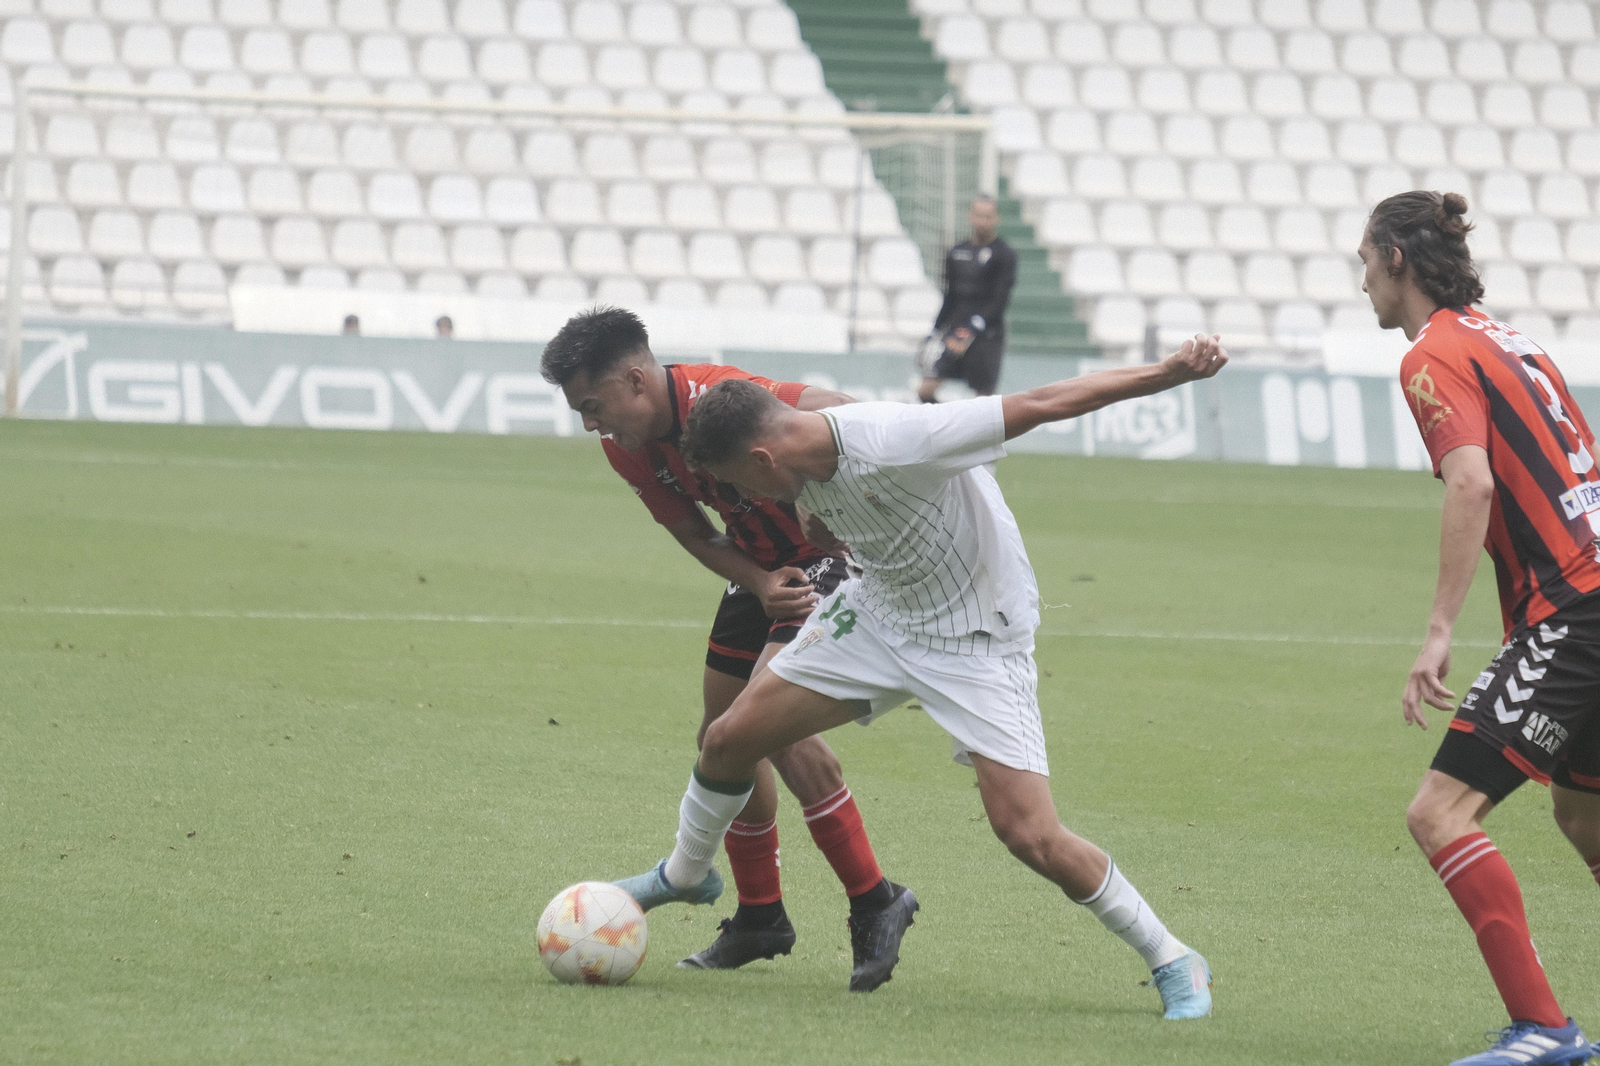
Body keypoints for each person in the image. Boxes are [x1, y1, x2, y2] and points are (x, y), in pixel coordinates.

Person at [617, 334, 1228, 1016]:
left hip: (976, 640)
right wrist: (822, 528)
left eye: (739, 484)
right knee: (729, 740)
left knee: (1029, 834)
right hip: (875, 615)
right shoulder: (797, 467)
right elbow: (833, 512)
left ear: (761, 456)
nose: (744, 498)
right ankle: (686, 874)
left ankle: (1173, 958)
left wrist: (1170, 372)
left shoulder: (900, 435)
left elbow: (1045, 400)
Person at [539, 307, 897, 981]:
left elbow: (843, 410)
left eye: (594, 405)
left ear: (637, 382)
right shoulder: (627, 446)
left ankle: (875, 899)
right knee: (720, 737)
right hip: (764, 573)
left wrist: (835, 512)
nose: (591, 424)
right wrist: (760, 581)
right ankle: (762, 916)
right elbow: (697, 536)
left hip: (831, 565)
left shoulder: (720, 393)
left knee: (767, 731)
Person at [1369, 191, 1600, 1066]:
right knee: (1585, 820)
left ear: (1397, 259)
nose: (1363, 286)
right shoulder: (1513, 338)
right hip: (1593, 589)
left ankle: (1545, 1028)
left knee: (1440, 813)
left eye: (1365, 264)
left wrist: (1438, 629)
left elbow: (1472, 483)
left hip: (1574, 608)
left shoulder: (1433, 355)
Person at [917, 196, 1017, 404]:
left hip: (987, 336)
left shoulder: (1005, 254)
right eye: (979, 215)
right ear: (971, 216)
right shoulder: (956, 252)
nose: (982, 221)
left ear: (996, 219)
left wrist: (975, 326)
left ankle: (970, 432)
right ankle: (949, 426)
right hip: (956, 332)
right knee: (925, 390)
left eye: (988, 216)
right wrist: (936, 330)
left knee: (983, 401)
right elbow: (950, 296)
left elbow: (1000, 299)